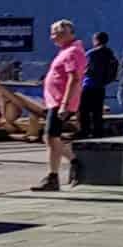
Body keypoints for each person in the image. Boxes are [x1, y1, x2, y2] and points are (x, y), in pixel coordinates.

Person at [33, 19, 87, 193]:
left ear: (68, 33)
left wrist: (64, 103)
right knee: (52, 137)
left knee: (50, 137)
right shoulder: (65, 51)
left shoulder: (72, 52)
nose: (53, 37)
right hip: (55, 101)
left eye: (56, 33)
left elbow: (74, 78)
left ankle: (70, 165)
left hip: (61, 102)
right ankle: (57, 173)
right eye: (53, 33)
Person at [82, 30, 118, 142]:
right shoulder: (110, 54)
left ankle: (85, 131)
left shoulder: (91, 54)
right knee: (97, 111)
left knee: (84, 110)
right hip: (101, 86)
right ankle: (98, 132)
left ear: (96, 40)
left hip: (88, 84)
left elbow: (85, 69)